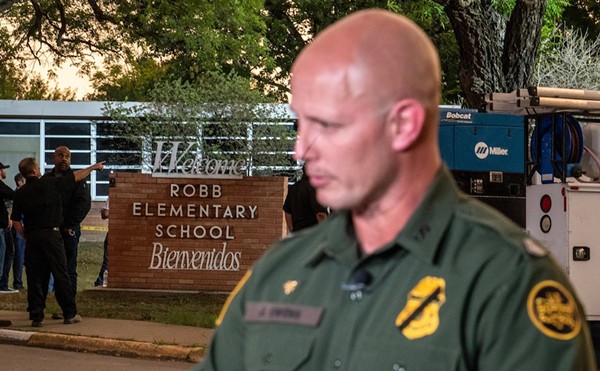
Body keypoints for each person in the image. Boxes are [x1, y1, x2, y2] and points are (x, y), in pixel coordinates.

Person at [196, 9, 597, 370]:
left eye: (326, 124)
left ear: (403, 125)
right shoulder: (279, 272)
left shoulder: (507, 282)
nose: (302, 149)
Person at [11, 157, 104, 327]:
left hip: (33, 238)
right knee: (61, 274)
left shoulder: (21, 193)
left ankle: (37, 316)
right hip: (52, 236)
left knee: (35, 277)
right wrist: (92, 168)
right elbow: (76, 176)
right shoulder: (50, 184)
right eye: (38, 167)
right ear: (34, 171)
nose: (40, 169)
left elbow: (16, 221)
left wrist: (26, 235)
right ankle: (69, 313)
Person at [43, 146, 92, 299]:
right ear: (54, 158)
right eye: (60, 155)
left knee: (68, 267)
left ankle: (69, 306)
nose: (64, 158)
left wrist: (70, 225)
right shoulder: (46, 180)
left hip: (68, 230)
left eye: (67, 156)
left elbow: (83, 204)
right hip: (49, 231)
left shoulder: (77, 179)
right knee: (47, 267)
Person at [283, 165, 328, 233]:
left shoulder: (294, 188)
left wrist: (293, 231)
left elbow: (287, 213)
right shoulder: (315, 189)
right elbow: (320, 214)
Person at [0, 161, 16, 293]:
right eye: (3, 169)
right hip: (1, 227)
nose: (5, 172)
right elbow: (12, 194)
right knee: (2, 254)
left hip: (5, 226)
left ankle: (3, 282)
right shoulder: (1, 186)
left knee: (9, 252)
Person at [11, 173, 26, 290]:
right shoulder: (17, 195)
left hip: (24, 227)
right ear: (20, 182)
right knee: (19, 256)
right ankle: (18, 282)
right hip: (19, 228)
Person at [94, 197, 109, 287]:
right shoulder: (113, 197)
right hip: (113, 233)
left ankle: (100, 281)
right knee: (108, 260)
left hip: (114, 233)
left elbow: (105, 213)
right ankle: (100, 281)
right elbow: (105, 214)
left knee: (108, 260)